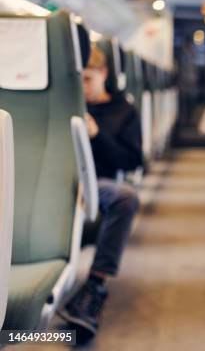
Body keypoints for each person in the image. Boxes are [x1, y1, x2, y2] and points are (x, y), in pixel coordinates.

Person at [58, 44, 142, 341]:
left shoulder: (124, 111)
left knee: (126, 197)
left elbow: (132, 160)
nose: (83, 88)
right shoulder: (62, 105)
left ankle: (94, 285)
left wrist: (97, 136)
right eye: (77, 80)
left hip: (99, 182)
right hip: (58, 181)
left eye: (88, 80)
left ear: (104, 74)